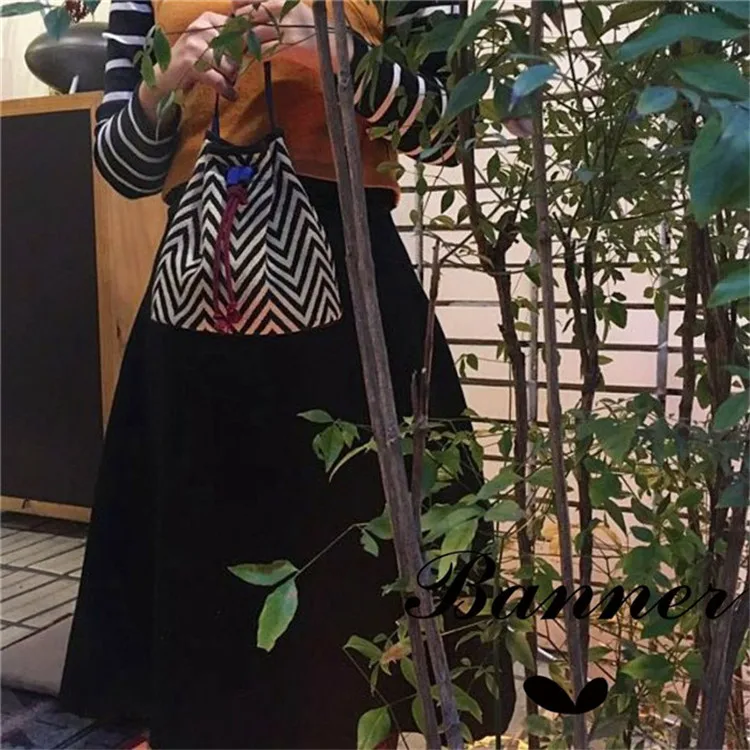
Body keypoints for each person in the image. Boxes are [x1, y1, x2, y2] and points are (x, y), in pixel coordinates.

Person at [59, 1, 516, 747]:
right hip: (204, 272)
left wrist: (345, 60)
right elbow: (122, 166)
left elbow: (449, 132)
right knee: (203, 554)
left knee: (357, 550)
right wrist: (163, 84)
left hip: (350, 267)